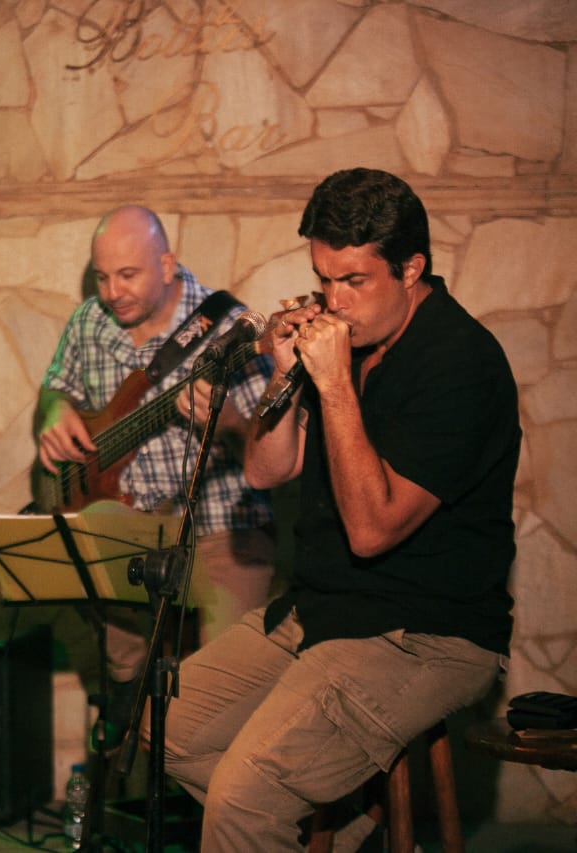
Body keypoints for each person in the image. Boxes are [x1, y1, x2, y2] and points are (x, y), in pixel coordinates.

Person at [159, 168, 520, 850]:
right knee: (162, 731)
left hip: (425, 631)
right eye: (325, 279)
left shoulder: (462, 363)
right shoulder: (346, 342)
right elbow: (268, 468)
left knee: (242, 796)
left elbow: (373, 528)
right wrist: (284, 375)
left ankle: (277, 819)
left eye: (354, 280)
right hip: (324, 608)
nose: (334, 300)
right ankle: (343, 830)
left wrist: (335, 385)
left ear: (411, 267)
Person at [35, 204, 277, 735]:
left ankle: (210, 773)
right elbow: (57, 386)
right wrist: (55, 410)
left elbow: (273, 450)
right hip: (129, 529)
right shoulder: (89, 322)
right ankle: (128, 675)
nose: (112, 291)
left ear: (167, 266)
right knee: (50, 551)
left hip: (220, 534)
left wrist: (229, 418)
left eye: (127, 275)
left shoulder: (232, 328)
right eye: (102, 277)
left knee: (216, 705)